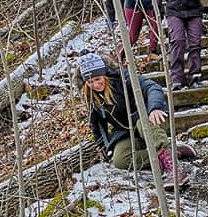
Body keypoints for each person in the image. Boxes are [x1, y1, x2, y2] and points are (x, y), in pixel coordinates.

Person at [76, 52, 193, 188]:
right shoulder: (91, 97)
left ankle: (175, 171)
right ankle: (171, 151)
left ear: (104, 74)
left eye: (97, 79)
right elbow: (96, 124)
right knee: (120, 160)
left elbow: (152, 87)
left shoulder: (123, 77)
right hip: (125, 131)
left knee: (143, 123)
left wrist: (154, 108)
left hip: (148, 120)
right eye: (90, 82)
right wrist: (103, 147)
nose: (95, 85)